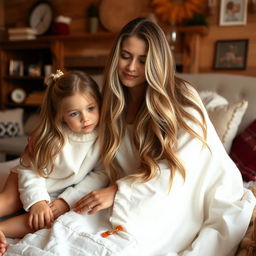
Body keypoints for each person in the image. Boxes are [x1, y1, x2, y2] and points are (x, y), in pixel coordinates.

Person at [5, 18, 256, 256]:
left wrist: (118, 190)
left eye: (142, 60)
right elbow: (88, 146)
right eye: (125, 56)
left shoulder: (182, 99)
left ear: (157, 62)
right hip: (128, 186)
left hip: (180, 192)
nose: (131, 67)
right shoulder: (112, 101)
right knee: (60, 227)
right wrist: (44, 138)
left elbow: (182, 168)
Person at [0, 70, 108, 255]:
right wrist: (37, 201)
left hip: (58, 190)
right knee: (8, 202)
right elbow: (31, 172)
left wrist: (66, 201)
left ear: (99, 103)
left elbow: (101, 174)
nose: (85, 118)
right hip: (28, 179)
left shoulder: (103, 138)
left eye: (91, 108)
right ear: (61, 116)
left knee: (43, 221)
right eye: (74, 113)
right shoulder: (52, 138)